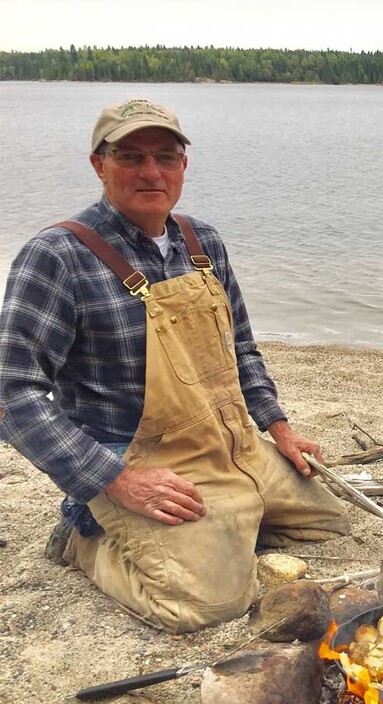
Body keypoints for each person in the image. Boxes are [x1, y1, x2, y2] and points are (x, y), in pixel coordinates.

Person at [0, 99, 350, 633]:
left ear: (183, 166)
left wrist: (278, 427)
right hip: (133, 459)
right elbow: (12, 395)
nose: (150, 173)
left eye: (166, 157)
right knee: (210, 604)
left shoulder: (201, 242)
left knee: (329, 523)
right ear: (99, 165)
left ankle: (220, 524)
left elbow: (243, 351)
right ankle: (83, 535)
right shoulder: (57, 256)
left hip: (221, 441)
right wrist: (114, 480)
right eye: (131, 157)